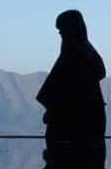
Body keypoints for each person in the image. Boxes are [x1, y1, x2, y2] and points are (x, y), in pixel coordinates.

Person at [36, 10, 107, 139]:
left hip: (73, 133)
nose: (61, 35)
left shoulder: (72, 57)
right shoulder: (88, 54)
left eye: (63, 31)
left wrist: (54, 112)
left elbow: (64, 97)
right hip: (91, 128)